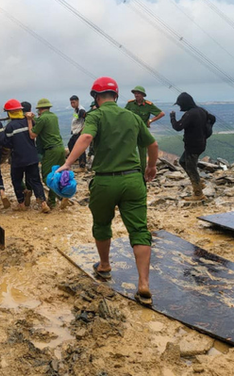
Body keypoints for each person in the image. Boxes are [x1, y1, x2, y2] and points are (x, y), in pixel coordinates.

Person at [57, 77, 158, 306]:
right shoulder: (132, 117)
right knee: (139, 229)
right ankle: (143, 283)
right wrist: (151, 166)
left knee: (102, 224)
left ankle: (104, 266)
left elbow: (86, 137)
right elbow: (152, 145)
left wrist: (67, 164)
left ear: (96, 97)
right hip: (133, 180)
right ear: (117, 96)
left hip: (105, 181)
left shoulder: (96, 115)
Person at [2, 99, 50, 213]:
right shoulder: (29, 121)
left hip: (18, 159)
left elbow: (7, 143)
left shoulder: (9, 126)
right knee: (36, 180)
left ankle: (21, 203)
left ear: (9, 113)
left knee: (17, 180)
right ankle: (43, 203)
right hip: (32, 156)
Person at [170, 92, 215, 202]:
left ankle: (198, 193)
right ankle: (198, 183)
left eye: (180, 104)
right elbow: (212, 119)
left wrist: (172, 118)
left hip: (193, 145)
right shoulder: (201, 111)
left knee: (191, 167)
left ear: (185, 103)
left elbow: (178, 127)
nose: (180, 107)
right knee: (182, 161)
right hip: (200, 143)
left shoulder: (190, 114)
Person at [26, 98, 67, 209]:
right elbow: (42, 122)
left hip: (51, 150)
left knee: (47, 177)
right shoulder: (53, 116)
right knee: (56, 175)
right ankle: (52, 201)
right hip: (60, 148)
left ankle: (60, 196)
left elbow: (32, 135)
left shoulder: (42, 119)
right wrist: (35, 118)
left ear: (39, 109)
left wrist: (29, 120)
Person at [124, 86, 164, 173]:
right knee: (129, 150)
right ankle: (129, 170)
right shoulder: (130, 104)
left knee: (143, 153)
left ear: (142, 95)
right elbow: (124, 114)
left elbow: (161, 113)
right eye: (135, 93)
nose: (136, 95)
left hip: (142, 131)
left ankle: (142, 172)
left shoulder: (148, 105)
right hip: (131, 131)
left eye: (138, 93)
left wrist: (150, 120)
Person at [68, 95, 87, 169]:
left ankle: (82, 166)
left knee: (80, 148)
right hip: (75, 131)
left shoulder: (81, 110)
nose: (72, 104)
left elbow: (87, 119)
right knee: (70, 144)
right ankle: (76, 159)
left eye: (73, 102)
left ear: (78, 101)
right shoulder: (76, 110)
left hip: (79, 131)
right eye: (71, 103)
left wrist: (83, 128)